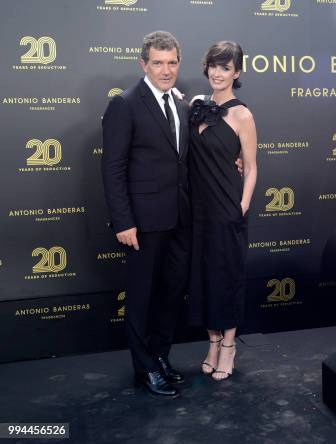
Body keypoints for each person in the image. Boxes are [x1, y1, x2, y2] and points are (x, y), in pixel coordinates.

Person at [101, 31, 190, 398]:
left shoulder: (182, 104)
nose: (165, 70)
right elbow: (112, 168)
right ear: (143, 64)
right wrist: (123, 221)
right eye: (158, 62)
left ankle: (161, 357)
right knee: (140, 298)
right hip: (141, 222)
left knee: (171, 293)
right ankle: (144, 369)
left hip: (180, 219)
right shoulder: (125, 104)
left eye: (171, 62)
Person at [188, 41, 257, 381]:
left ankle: (229, 346)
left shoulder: (242, 114)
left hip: (227, 208)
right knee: (203, 279)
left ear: (237, 73)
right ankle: (212, 343)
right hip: (197, 210)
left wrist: (241, 206)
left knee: (226, 277)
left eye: (225, 67)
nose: (218, 73)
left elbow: (253, 167)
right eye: (214, 66)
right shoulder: (196, 105)